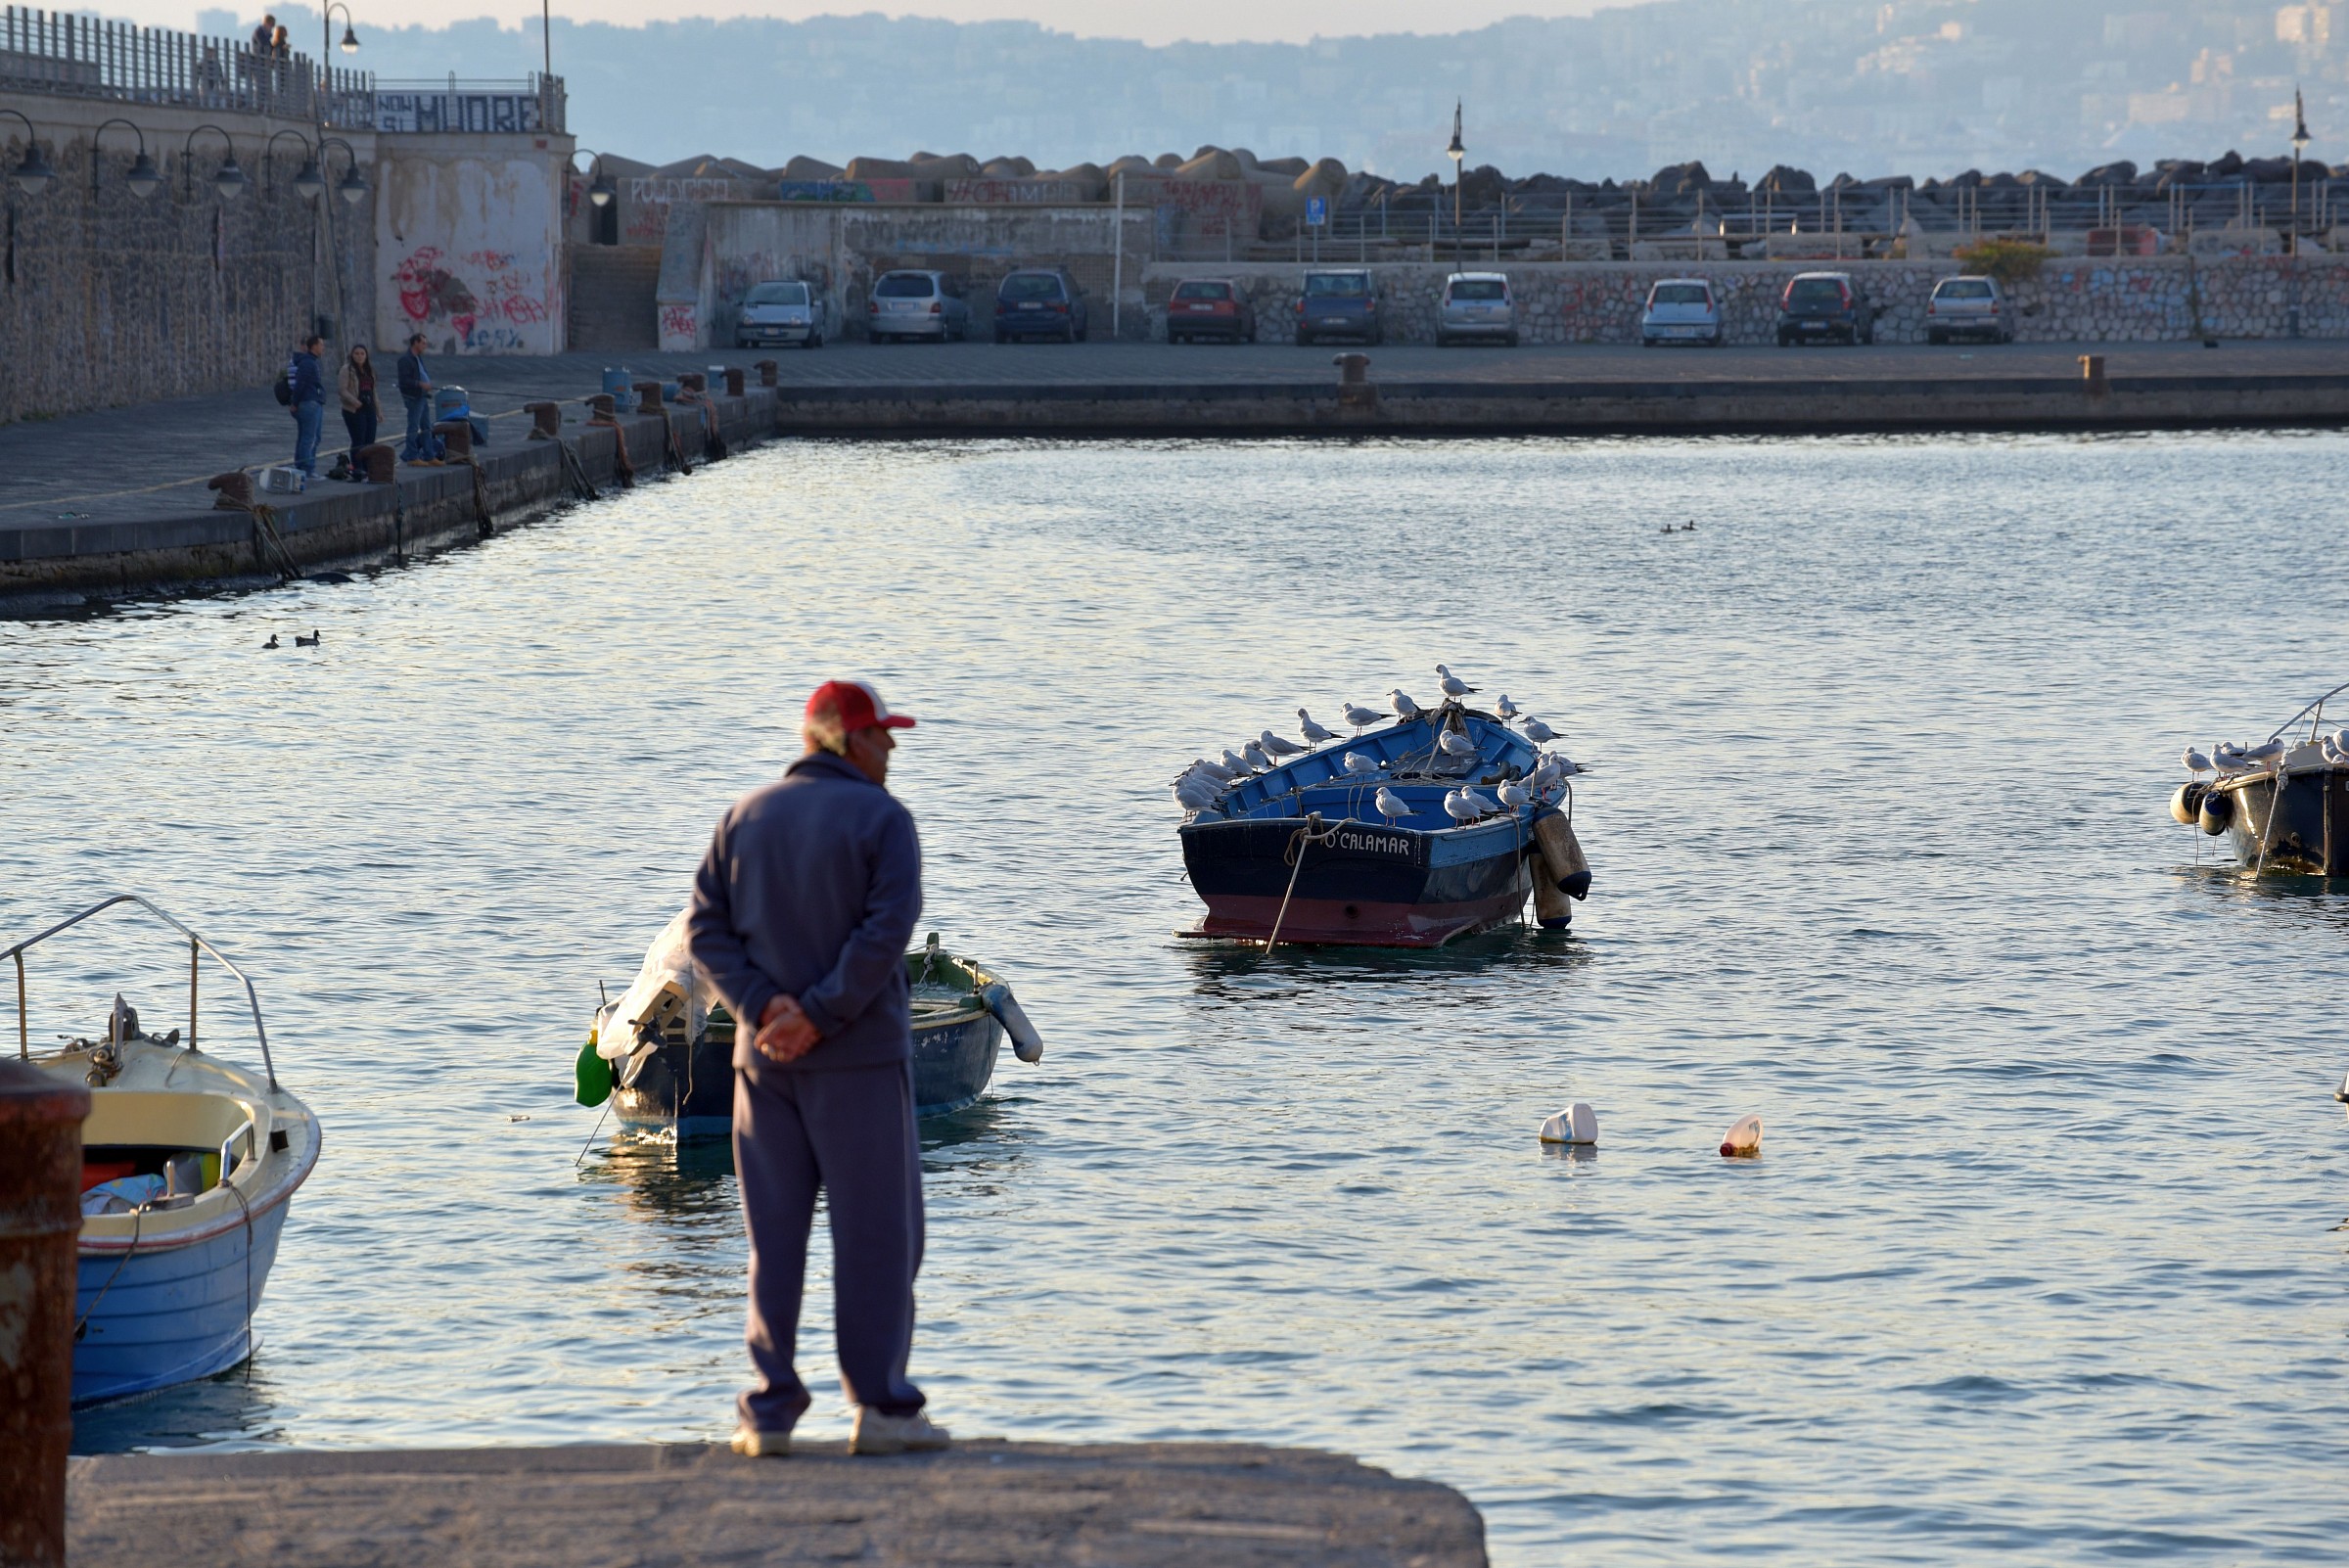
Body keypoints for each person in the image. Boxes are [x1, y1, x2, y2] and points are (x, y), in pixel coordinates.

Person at [686, 679, 945, 1460]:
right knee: (877, 1237)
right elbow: (884, 933)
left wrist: (766, 1012)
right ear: (844, 740)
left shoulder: (743, 817)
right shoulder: (883, 820)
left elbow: (706, 931)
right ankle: (880, 1410)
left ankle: (768, 1414)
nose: (891, 748)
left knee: (774, 1239)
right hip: (859, 1061)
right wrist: (822, 1015)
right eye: (880, 735)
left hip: (761, 1066)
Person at [287, 335, 327, 478]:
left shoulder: (309, 362)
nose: (323, 347)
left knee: (305, 436)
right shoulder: (308, 363)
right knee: (311, 437)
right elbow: (301, 384)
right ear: (314, 346)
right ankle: (307, 468)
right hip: (309, 403)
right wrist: (295, 403)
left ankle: (301, 466)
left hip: (309, 402)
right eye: (321, 344)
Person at [395, 334, 437, 462]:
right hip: (413, 397)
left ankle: (429, 455)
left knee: (426, 427)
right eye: (423, 343)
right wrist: (420, 384)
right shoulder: (405, 360)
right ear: (415, 343)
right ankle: (412, 456)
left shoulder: (418, 358)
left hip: (422, 396)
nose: (425, 346)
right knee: (413, 426)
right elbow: (404, 380)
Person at [338, 345, 379, 469]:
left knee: (370, 440)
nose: (359, 356)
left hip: (369, 409)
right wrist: (354, 401)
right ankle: (358, 467)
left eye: (362, 353)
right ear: (352, 355)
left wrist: (379, 411)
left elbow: (374, 392)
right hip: (354, 410)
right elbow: (342, 390)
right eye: (356, 353)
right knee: (358, 440)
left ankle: (368, 466)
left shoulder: (369, 370)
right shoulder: (347, 370)